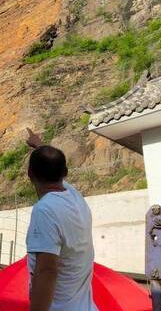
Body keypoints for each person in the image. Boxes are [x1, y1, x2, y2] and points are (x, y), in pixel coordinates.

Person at [25, 128, 96, 311]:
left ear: (29, 174)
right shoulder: (74, 196)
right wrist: (39, 145)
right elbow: (53, 167)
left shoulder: (45, 210)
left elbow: (47, 270)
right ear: (64, 172)